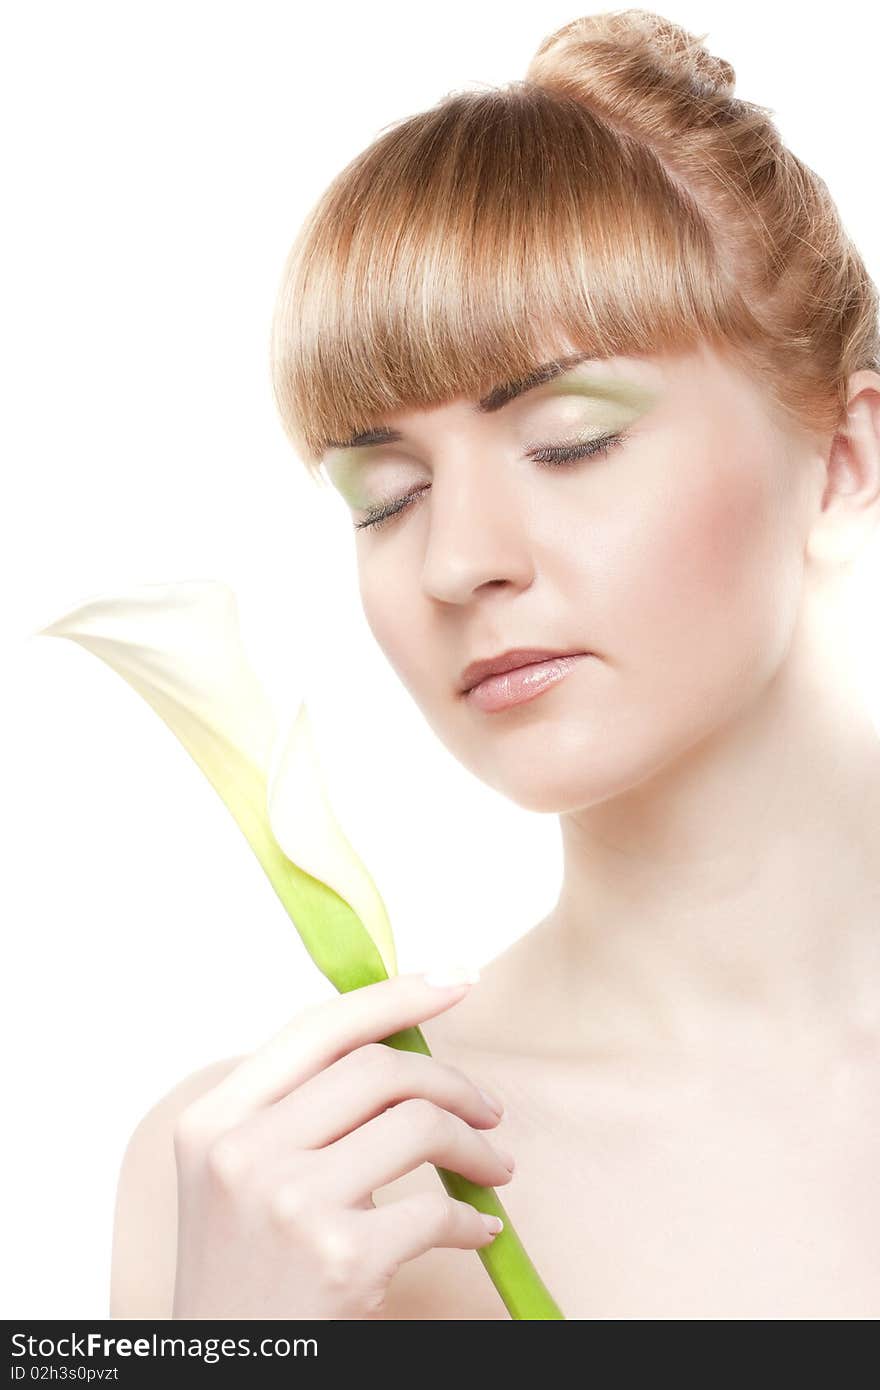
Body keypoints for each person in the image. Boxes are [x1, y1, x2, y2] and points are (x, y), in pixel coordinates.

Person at [110, 9, 880, 1319]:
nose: (457, 557)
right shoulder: (274, 1185)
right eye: (384, 493)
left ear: (845, 460)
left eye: (571, 439)